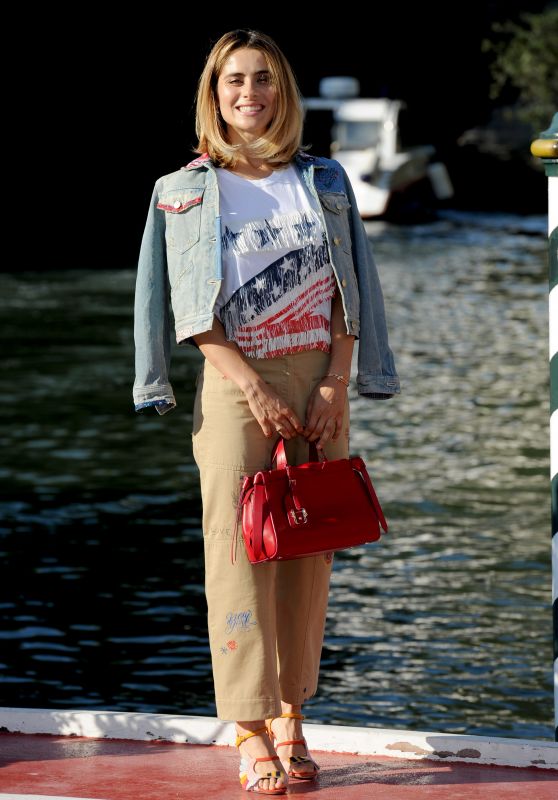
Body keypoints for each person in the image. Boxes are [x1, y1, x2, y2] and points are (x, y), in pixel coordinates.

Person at [133, 28, 399, 795]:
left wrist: (335, 382)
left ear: (283, 90)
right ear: (213, 95)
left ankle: (292, 715)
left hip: (320, 376)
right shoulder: (182, 189)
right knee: (238, 553)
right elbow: (182, 305)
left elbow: (356, 292)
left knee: (309, 553)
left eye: (264, 80)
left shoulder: (326, 181)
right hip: (233, 381)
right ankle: (247, 727)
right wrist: (249, 385)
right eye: (233, 82)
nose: (249, 94)